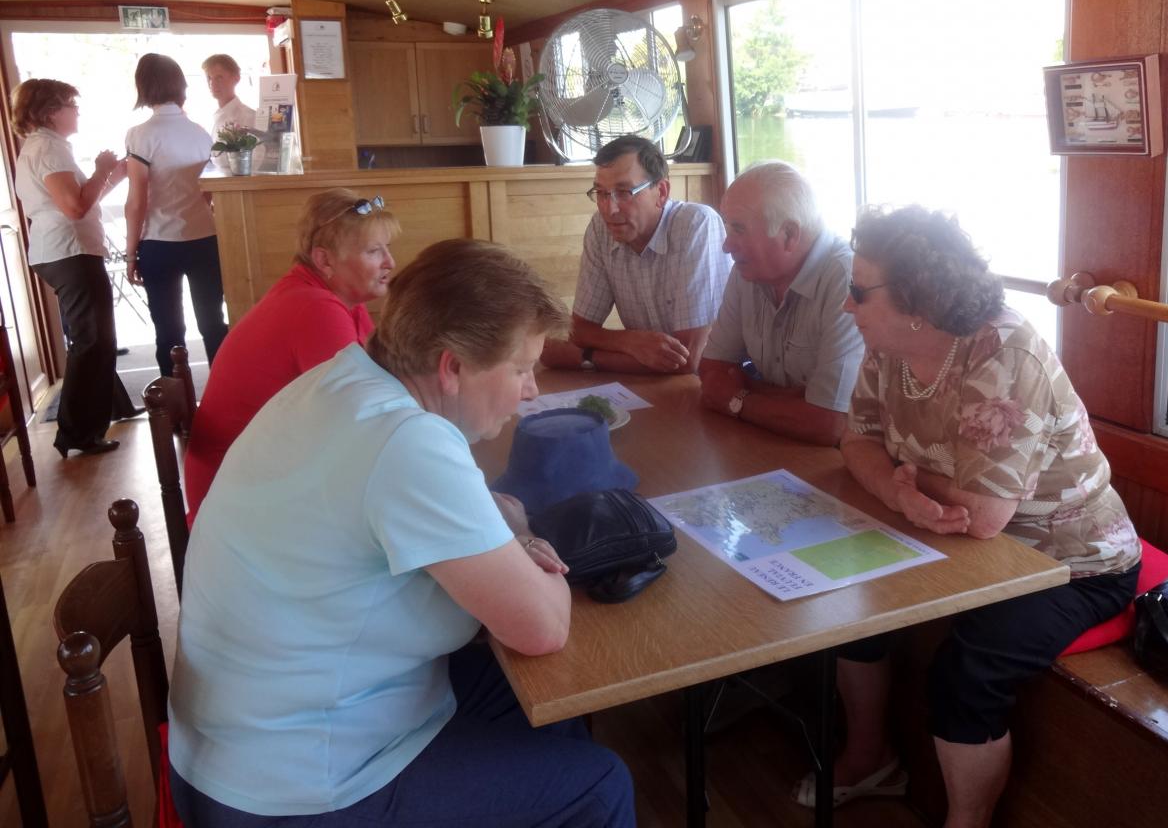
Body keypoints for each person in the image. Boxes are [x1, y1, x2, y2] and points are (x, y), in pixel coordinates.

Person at [168, 238, 635, 827]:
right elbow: (544, 627)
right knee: (599, 785)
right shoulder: (407, 442)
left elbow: (436, 507)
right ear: (452, 367)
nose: (531, 389)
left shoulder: (346, 381)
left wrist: (505, 534)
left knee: (543, 709)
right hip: (296, 791)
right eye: (520, 368)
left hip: (241, 744)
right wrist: (528, 551)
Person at [795, 205, 1141, 826]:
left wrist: (906, 476)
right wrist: (903, 494)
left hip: (1069, 560)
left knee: (967, 671)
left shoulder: (1005, 353)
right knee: (851, 604)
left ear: (916, 305)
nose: (847, 306)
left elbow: (982, 514)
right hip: (956, 534)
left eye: (858, 291)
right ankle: (871, 756)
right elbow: (854, 441)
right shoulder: (887, 344)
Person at [182, 188, 400, 521]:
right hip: (237, 508)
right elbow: (363, 412)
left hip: (267, 478)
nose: (390, 262)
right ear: (324, 260)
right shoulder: (316, 309)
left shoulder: (339, 299)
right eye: (374, 251)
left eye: (387, 248)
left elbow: (382, 378)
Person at [699, 161, 864, 446]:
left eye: (739, 229)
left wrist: (739, 398)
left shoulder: (846, 278)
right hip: (771, 445)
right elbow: (712, 370)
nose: (727, 245)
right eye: (728, 228)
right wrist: (792, 402)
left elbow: (830, 424)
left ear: (789, 235)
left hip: (837, 462)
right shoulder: (748, 269)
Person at [540, 135, 731, 374]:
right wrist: (630, 342)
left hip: (715, 382)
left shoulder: (696, 225)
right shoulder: (601, 228)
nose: (610, 209)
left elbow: (689, 359)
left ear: (661, 192)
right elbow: (580, 330)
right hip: (649, 384)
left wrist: (585, 358)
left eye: (624, 192)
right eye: (601, 193)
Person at [10, 79, 127, 457]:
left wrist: (109, 176)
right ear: (49, 112)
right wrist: (102, 169)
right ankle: (76, 433)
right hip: (68, 252)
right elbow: (75, 208)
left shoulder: (48, 146)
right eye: (71, 105)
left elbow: (82, 202)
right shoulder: (48, 148)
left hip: (66, 250)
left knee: (95, 338)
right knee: (92, 341)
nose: (77, 111)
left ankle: (103, 414)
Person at [124, 52, 228, 376]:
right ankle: (226, 397)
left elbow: (136, 201)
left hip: (159, 242)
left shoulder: (140, 134)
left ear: (143, 87)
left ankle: (178, 412)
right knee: (213, 323)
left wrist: (130, 255)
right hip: (205, 237)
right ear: (180, 86)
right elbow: (210, 192)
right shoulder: (199, 132)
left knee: (169, 331)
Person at [202, 53, 257, 175]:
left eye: (219, 77)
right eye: (209, 78)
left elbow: (254, 165)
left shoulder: (248, 117)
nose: (212, 83)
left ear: (236, 78)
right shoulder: (215, 119)